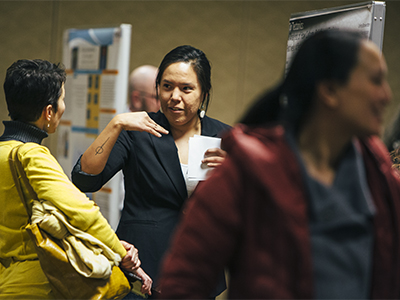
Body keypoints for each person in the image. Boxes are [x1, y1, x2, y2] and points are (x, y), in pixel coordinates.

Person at [157, 29, 400, 299]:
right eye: (376, 81)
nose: (386, 96)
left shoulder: (377, 172)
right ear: (330, 91)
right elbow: (183, 284)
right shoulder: (250, 171)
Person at [71, 45, 230, 298]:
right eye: (167, 87)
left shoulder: (225, 137)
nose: (174, 96)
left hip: (199, 265)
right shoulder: (138, 130)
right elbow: (84, 179)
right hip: (140, 266)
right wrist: (116, 124)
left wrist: (235, 173)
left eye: (186, 88)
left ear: (204, 92)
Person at [0, 59, 152, 299]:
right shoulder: (31, 155)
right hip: (38, 282)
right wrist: (119, 253)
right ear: (48, 112)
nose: (64, 106)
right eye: (62, 99)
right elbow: (83, 213)